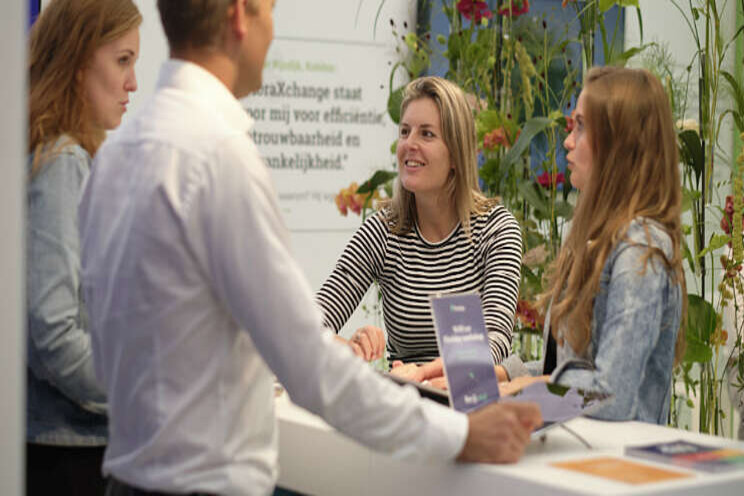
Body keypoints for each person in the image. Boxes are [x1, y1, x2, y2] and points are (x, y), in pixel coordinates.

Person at [78, 1, 542, 495]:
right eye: (270, 11)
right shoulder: (219, 159)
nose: (272, 31)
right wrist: (460, 434)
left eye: (428, 134)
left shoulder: (116, 158)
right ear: (241, 15)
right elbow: (310, 364)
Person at [498, 66, 686, 424]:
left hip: (620, 469)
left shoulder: (639, 251)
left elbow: (608, 396)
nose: (568, 141)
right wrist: (507, 375)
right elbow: (571, 368)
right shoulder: (601, 239)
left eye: (581, 126)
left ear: (619, 144)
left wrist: (525, 393)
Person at [316, 76, 523, 367]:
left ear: (456, 153)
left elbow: (495, 341)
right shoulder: (382, 231)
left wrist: (421, 375)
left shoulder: (496, 229)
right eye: (404, 132)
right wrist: (349, 348)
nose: (409, 144)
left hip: (471, 396)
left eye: (426, 134)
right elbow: (307, 325)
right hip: (406, 400)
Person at [25, 0, 140, 494]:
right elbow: (52, 332)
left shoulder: (60, 156)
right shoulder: (62, 162)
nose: (133, 83)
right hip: (68, 454)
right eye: (122, 61)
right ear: (76, 62)